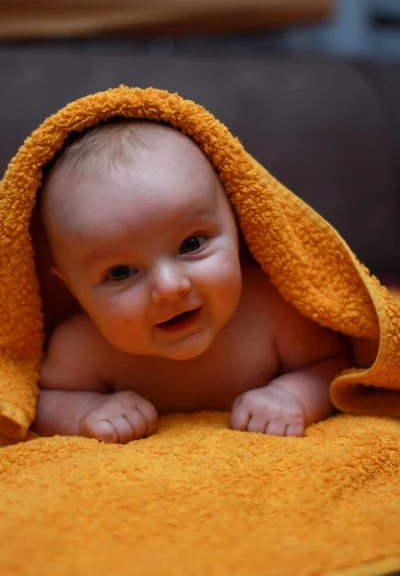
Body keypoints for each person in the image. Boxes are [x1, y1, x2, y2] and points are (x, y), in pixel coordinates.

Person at [33, 119, 351, 444]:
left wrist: (292, 396)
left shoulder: (271, 311)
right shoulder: (83, 347)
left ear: (241, 226)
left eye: (192, 244)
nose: (169, 286)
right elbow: (40, 400)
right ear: (73, 289)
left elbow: (333, 366)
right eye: (120, 273)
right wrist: (86, 411)